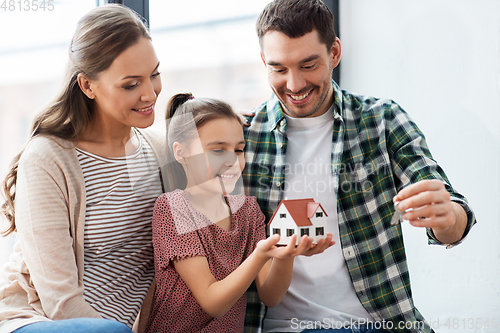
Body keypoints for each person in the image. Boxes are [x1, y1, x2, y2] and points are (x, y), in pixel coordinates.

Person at [243, 1, 476, 332]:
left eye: (308, 65)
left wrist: (448, 216)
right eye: (279, 69)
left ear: (334, 52)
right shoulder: (243, 136)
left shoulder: (382, 120)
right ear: (264, 62)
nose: (294, 85)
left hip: (376, 323)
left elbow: (453, 214)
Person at [0, 5, 167, 333]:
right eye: (131, 84)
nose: (150, 93)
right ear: (88, 86)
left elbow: (193, 238)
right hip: (41, 320)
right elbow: (59, 301)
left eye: (154, 74)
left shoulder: (162, 150)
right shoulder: (48, 159)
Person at [145, 93, 334, 332]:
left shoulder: (248, 210)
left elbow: (271, 296)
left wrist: (285, 255)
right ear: (181, 153)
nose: (232, 161)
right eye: (217, 150)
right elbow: (213, 302)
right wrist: (260, 254)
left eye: (238, 150)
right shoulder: (173, 208)